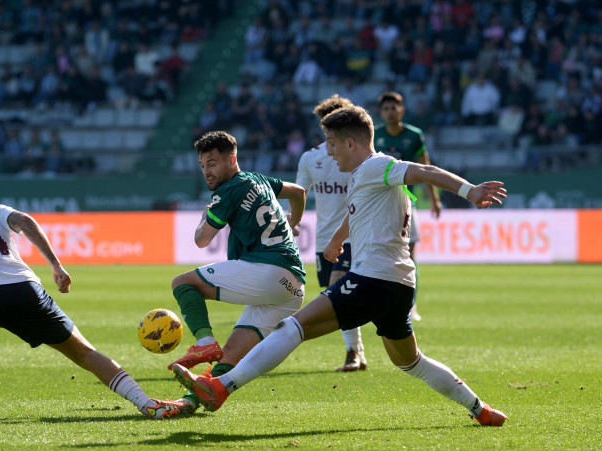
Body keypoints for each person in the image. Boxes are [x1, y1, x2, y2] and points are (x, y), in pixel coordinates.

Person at [173, 105, 509, 427]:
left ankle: (221, 387)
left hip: (373, 277)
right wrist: (337, 239)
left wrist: (469, 191)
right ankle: (479, 408)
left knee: (291, 328)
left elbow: (425, 170)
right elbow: (360, 211)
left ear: (351, 143)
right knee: (412, 362)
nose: (329, 153)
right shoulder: (366, 177)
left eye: (332, 145)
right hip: (399, 283)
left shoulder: (378, 166)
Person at [0, 181, 181, 420]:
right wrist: (55, 265)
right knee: (84, 352)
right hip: (25, 290)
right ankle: (147, 404)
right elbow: (26, 221)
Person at [165, 131, 307, 414]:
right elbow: (299, 192)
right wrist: (294, 222)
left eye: (213, 163)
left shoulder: (227, 191)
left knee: (182, 283)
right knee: (231, 352)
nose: (207, 171)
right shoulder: (260, 179)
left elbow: (202, 240)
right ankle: (197, 398)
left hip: (268, 268)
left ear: (232, 160)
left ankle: (204, 343)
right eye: (203, 165)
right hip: (293, 288)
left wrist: (208, 212)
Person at [295, 94, 366, 372]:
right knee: (335, 296)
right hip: (324, 240)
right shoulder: (311, 158)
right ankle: (358, 352)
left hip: (354, 237)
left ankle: (352, 353)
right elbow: (300, 193)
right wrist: (294, 220)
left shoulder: (358, 156)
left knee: (337, 294)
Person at [374, 91, 442, 321]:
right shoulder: (375, 135)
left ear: (402, 110)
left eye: (394, 108)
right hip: (381, 203)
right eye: (386, 109)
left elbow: (426, 169)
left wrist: (434, 199)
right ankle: (383, 301)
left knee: (410, 256)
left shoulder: (414, 136)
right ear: (381, 112)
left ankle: (411, 304)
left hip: (406, 203)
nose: (390, 112)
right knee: (380, 254)